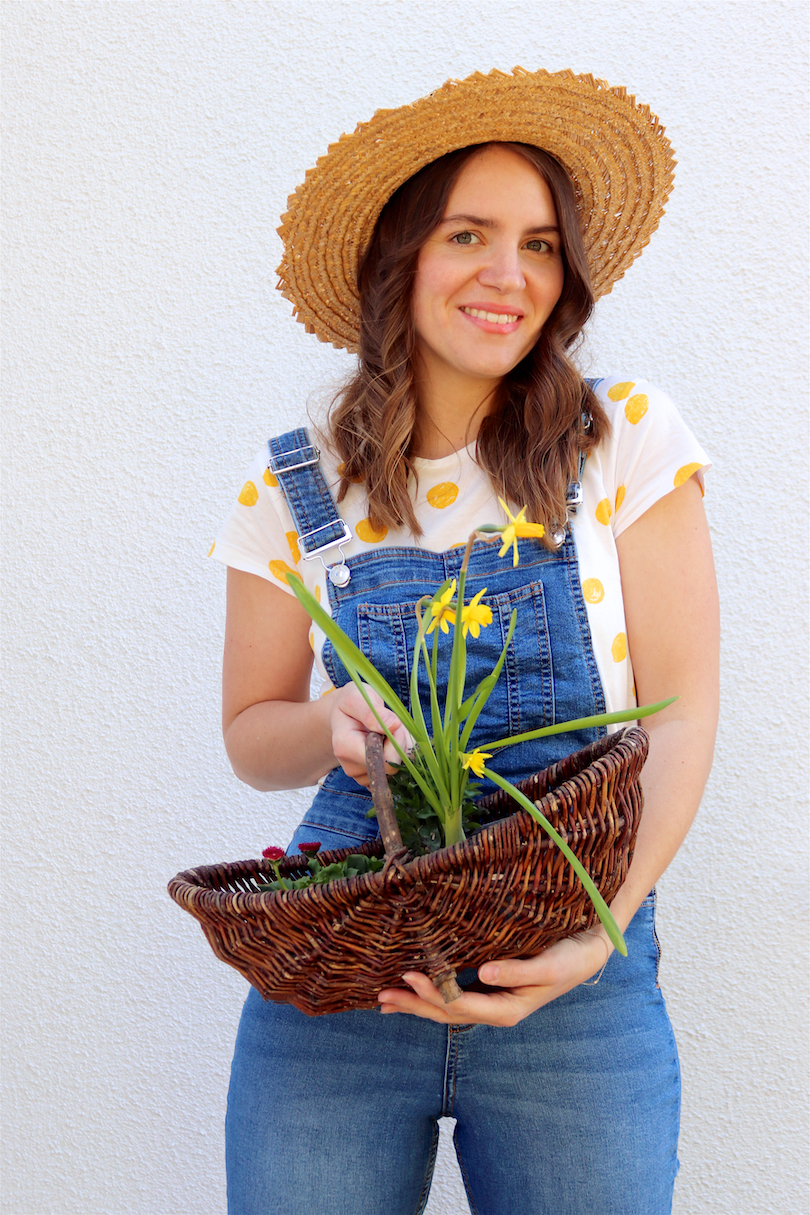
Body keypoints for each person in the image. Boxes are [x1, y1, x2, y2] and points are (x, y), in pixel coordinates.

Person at [211, 69, 719, 1215]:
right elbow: (253, 732)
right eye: (469, 235)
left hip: (574, 975)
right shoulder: (297, 486)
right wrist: (328, 725)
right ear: (399, 260)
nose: (510, 276)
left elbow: (680, 711)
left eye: (540, 245)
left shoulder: (622, 444)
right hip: (346, 970)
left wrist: (600, 928)